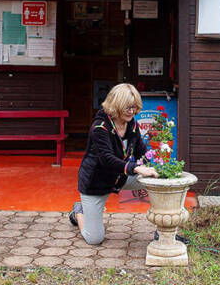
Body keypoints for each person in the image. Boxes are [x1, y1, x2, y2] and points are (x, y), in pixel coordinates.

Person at [68, 83, 159, 245]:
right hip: (96, 183)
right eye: (127, 108)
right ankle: (78, 212)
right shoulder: (99, 128)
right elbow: (107, 159)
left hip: (120, 177)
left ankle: (163, 230)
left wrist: (150, 165)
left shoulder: (131, 124)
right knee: (94, 239)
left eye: (134, 107)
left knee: (157, 182)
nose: (132, 111)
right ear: (116, 106)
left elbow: (141, 150)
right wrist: (137, 168)